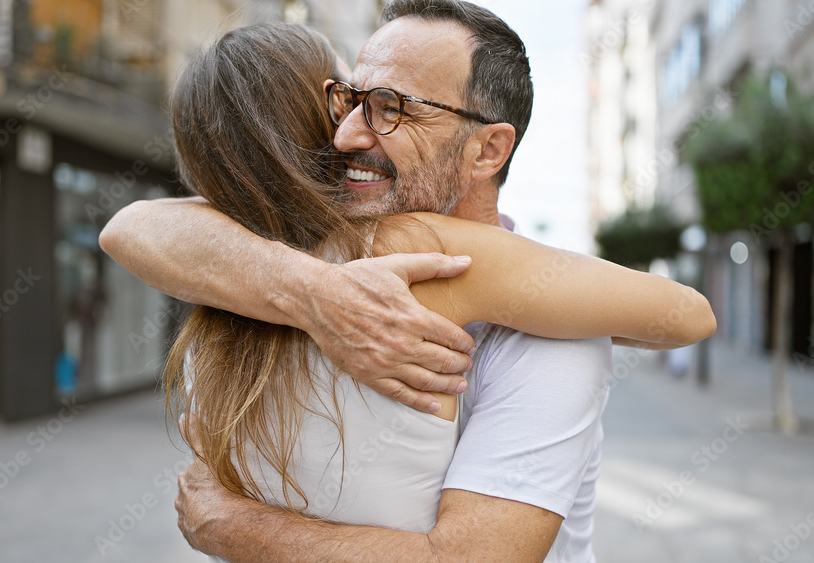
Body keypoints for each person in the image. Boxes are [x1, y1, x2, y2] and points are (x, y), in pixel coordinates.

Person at [100, 2, 716, 561]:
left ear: (486, 151)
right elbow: (133, 227)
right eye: (346, 99)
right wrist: (318, 292)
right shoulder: (274, 266)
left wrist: (239, 530)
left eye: (390, 107)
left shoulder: (552, 333)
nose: (346, 134)